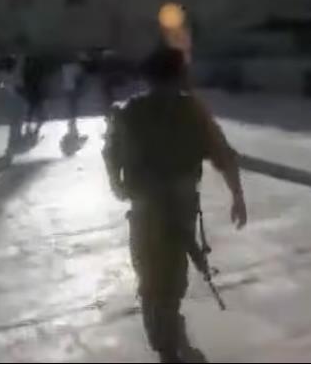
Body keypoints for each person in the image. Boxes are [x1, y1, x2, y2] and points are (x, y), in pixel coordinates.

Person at [102, 47, 247, 363]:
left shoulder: (129, 112)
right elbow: (225, 157)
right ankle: (167, 345)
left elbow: (110, 153)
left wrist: (117, 184)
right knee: (166, 278)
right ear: (180, 76)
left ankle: (166, 336)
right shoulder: (192, 112)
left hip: (150, 209)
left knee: (155, 277)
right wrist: (237, 197)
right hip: (175, 207)